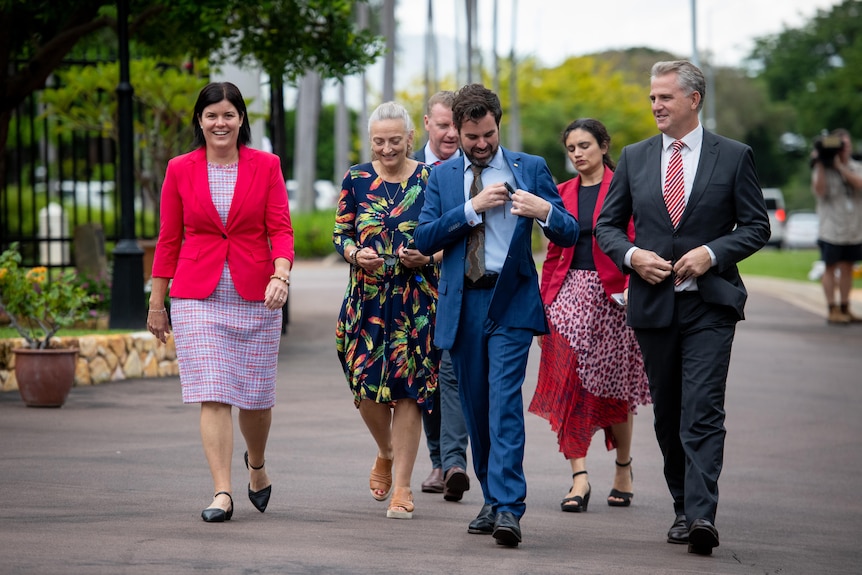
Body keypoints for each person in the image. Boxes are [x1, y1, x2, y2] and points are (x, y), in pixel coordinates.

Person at [595, 60, 770, 555]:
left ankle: (701, 516)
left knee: (702, 411)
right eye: (652, 98)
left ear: (694, 100)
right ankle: (681, 506)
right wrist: (633, 257)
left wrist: (712, 253)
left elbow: (757, 226)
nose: (655, 106)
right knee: (669, 412)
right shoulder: (634, 157)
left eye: (665, 97)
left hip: (710, 307)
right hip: (653, 305)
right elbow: (608, 226)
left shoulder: (734, 157)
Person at [414, 84, 579, 547]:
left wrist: (545, 209)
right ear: (457, 132)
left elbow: (568, 232)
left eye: (488, 134)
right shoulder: (443, 177)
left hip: (511, 301)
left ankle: (509, 507)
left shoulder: (531, 168)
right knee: (475, 406)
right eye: (472, 136)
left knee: (504, 402)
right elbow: (425, 238)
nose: (482, 144)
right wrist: (471, 209)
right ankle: (491, 498)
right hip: (462, 302)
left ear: (498, 125)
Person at [147, 81, 294, 523]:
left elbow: (281, 229)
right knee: (213, 391)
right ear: (199, 120)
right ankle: (222, 492)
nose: (220, 122)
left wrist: (280, 274)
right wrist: (158, 303)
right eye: (212, 115)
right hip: (197, 295)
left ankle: (257, 466)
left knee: (254, 398)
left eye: (229, 114)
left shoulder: (266, 166)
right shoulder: (179, 168)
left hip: (257, 294)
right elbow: (169, 237)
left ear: (241, 119)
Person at [529, 118, 651, 513]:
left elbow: (638, 241)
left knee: (614, 388)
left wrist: (636, 290)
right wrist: (543, 305)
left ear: (603, 145)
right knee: (567, 384)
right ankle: (579, 477)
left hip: (614, 299)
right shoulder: (560, 193)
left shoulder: (624, 187)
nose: (578, 154)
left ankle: (623, 467)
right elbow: (552, 256)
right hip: (567, 297)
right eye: (571, 149)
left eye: (584, 145)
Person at [333, 101, 441, 520]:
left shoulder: (432, 178)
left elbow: (450, 236)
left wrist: (427, 259)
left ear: (411, 138)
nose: (387, 148)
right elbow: (340, 232)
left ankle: (403, 487)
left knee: (409, 393)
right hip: (366, 298)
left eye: (395, 140)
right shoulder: (356, 178)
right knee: (364, 386)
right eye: (379, 141)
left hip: (415, 302)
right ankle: (385, 450)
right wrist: (356, 252)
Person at [413, 91, 471, 502]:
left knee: (451, 375)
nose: (451, 133)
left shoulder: (476, 169)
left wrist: (434, 250)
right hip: (413, 293)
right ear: (428, 124)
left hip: (458, 287)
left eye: (457, 125)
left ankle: (453, 463)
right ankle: (440, 459)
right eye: (444, 125)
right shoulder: (409, 168)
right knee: (426, 379)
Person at [811, 128, 862, 324]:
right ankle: (832, 308)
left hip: (853, 229)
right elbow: (820, 191)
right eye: (840, 146)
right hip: (831, 229)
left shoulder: (855, 166)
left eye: (846, 145)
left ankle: (845, 307)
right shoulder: (822, 168)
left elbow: (859, 184)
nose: (843, 149)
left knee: (848, 267)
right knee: (830, 267)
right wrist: (821, 163)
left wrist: (840, 167)